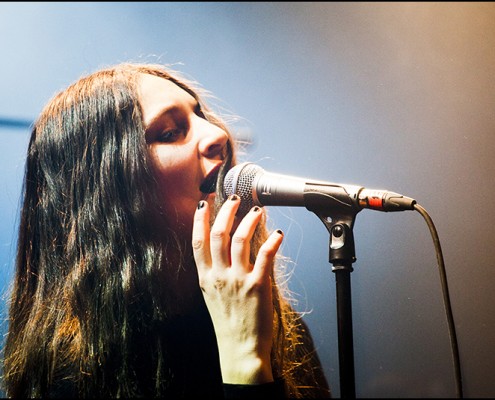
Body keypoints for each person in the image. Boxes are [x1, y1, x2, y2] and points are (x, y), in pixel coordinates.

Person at [1, 63, 331, 398]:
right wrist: (244, 362)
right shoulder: (72, 378)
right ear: (110, 193)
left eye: (201, 114)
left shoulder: (266, 319)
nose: (217, 135)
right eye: (171, 132)